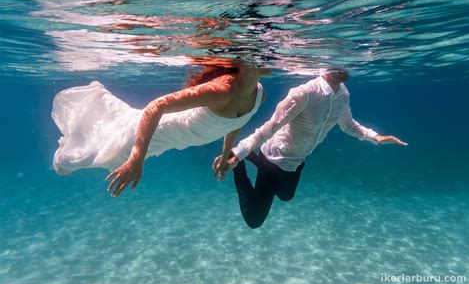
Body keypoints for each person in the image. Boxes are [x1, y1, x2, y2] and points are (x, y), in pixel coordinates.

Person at [213, 68, 407, 229]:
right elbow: (268, 128)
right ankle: (242, 161)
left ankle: (252, 158)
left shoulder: (343, 95)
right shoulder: (304, 94)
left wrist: (376, 137)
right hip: (273, 157)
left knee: (286, 195)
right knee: (254, 220)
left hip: (296, 161)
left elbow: (348, 125)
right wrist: (237, 155)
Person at [52, 57, 270, 197]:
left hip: (166, 142)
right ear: (243, 61)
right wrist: (137, 158)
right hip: (142, 137)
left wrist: (224, 156)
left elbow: (235, 123)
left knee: (94, 151)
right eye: (262, 51)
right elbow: (156, 106)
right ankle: (62, 156)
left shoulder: (260, 95)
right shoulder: (222, 90)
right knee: (68, 163)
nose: (270, 54)